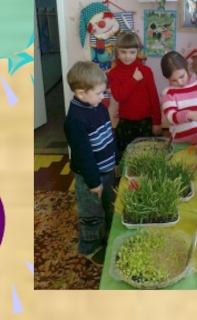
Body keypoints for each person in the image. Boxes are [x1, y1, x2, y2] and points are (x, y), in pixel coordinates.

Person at [63, 61, 118, 267]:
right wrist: (94, 182)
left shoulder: (99, 107)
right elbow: (83, 156)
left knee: (108, 205)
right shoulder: (75, 120)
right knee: (91, 213)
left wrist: (115, 159)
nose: (103, 97)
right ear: (80, 93)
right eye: (99, 93)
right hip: (90, 178)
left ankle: (107, 235)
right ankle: (90, 247)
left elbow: (108, 136)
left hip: (107, 170)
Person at [107, 31, 162, 154]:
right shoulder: (114, 73)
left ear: (137, 51)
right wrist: (134, 79)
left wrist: (157, 122)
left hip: (146, 123)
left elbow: (154, 97)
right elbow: (119, 96)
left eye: (132, 52)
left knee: (146, 157)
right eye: (123, 52)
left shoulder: (146, 71)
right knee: (125, 157)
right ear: (117, 51)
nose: (127, 56)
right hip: (125, 123)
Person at [160, 51, 197, 142]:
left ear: (187, 67)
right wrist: (188, 115)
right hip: (178, 142)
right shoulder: (168, 93)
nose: (179, 82)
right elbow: (170, 117)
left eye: (182, 76)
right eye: (173, 80)